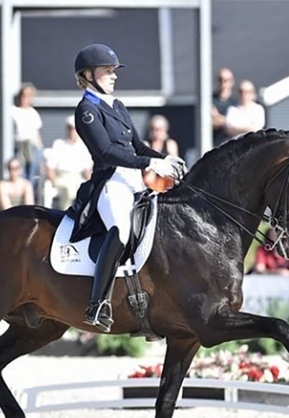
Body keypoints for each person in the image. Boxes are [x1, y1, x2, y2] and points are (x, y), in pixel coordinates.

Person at [67, 43, 185, 332]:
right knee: (120, 231)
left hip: (133, 181)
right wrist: (149, 164)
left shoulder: (117, 106)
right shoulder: (87, 110)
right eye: (107, 71)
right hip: (110, 184)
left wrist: (163, 159)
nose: (114, 76)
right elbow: (106, 152)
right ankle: (97, 305)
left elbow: (137, 146)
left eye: (113, 71)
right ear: (88, 74)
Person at [45, 115, 93, 209]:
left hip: (77, 177)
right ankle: (65, 213)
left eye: (75, 129)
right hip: (62, 177)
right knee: (68, 190)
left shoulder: (83, 146)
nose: (73, 132)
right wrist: (53, 181)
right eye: (70, 128)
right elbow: (50, 167)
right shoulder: (59, 144)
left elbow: (87, 170)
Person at [11, 83, 43, 184]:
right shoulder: (13, 111)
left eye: (29, 96)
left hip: (32, 146)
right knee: (20, 173)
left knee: (31, 175)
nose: (25, 98)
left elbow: (37, 133)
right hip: (19, 145)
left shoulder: (33, 113)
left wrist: (40, 148)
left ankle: (30, 195)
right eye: (23, 95)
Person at [211, 67, 236, 147]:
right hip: (213, 144)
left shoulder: (236, 102)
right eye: (220, 79)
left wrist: (217, 116)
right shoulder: (210, 100)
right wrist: (228, 121)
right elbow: (209, 122)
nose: (223, 83)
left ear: (232, 82)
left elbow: (237, 123)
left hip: (232, 144)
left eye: (226, 80)